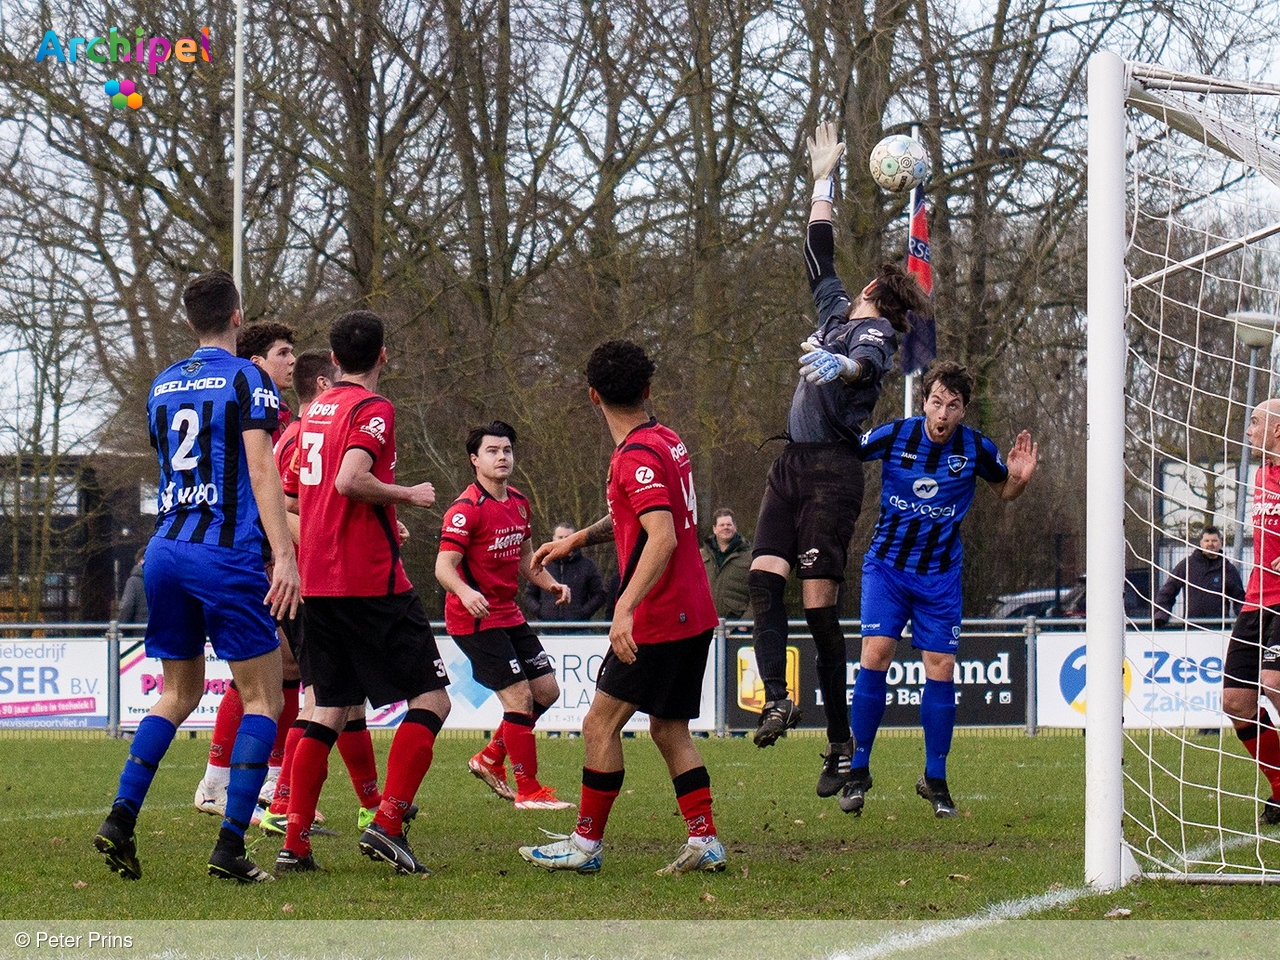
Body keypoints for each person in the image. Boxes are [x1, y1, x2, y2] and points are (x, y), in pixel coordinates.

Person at [93, 269, 301, 883]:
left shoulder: (161, 384)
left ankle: (120, 820)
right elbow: (261, 469)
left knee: (177, 695)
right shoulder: (249, 378)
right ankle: (231, 846)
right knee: (264, 697)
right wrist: (284, 555)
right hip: (224, 555)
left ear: (190, 321)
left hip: (164, 551)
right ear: (238, 317)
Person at [747, 121, 930, 805]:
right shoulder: (835, 312)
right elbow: (816, 255)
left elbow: (867, 366)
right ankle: (775, 702)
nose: (848, 291)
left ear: (876, 297)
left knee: (820, 608)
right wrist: (822, 180)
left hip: (832, 472)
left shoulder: (874, 330)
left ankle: (841, 743)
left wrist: (845, 364)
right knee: (765, 581)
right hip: (791, 465)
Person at [518, 339, 726, 876]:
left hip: (658, 616)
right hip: (694, 610)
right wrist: (578, 540)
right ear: (648, 390)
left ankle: (586, 845)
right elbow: (640, 514)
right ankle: (705, 840)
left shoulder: (633, 455)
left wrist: (624, 609)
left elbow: (662, 537)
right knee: (669, 729)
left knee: (598, 726)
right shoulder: (665, 440)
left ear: (593, 397)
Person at [275, 310, 451, 875]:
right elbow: (351, 479)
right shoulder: (372, 408)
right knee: (433, 699)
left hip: (318, 579)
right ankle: (388, 823)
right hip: (368, 580)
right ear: (382, 356)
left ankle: (295, 843)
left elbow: (311, 495)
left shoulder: (315, 410)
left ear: (331, 357)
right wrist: (408, 495)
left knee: (327, 708)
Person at [841, 361, 1036, 818]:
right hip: (887, 567)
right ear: (923, 401)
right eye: (936, 402)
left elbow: (1003, 490)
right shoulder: (895, 435)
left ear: (964, 410)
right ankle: (859, 768)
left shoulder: (975, 448)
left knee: (941, 667)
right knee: (877, 653)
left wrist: (1020, 480)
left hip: (939, 576)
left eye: (953, 405)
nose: (943, 413)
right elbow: (847, 454)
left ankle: (935, 777)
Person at [258, 349, 391, 837]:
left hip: (320, 575)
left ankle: (369, 802)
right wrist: (318, 541)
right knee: (320, 700)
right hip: (308, 579)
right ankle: (284, 802)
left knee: (344, 700)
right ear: (322, 384)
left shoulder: (309, 431)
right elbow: (281, 508)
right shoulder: (302, 434)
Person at [435, 421, 574, 810]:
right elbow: (443, 567)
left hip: (508, 613)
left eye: (507, 450)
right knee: (519, 697)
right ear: (474, 460)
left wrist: (550, 584)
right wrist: (465, 591)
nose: (502, 457)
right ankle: (527, 790)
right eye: (493, 451)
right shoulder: (465, 510)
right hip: (474, 619)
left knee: (546, 692)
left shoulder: (518, 502)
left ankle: (490, 757)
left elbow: (527, 561)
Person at [194, 320, 301, 817]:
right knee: (264, 672)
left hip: (265, 552)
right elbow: (262, 490)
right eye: (283, 352)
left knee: (281, 671)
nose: (291, 361)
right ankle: (223, 784)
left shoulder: (281, 413)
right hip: (249, 555)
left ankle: (264, 781)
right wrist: (305, 538)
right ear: (257, 361)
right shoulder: (255, 406)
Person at [1223, 398, 1280, 826]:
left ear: (1278, 430)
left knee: (1274, 681)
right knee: (1236, 701)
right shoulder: (1260, 475)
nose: (1248, 429)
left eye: (1256, 422)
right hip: (1255, 602)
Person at [1153, 526, 1245, 627]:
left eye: (1214, 540)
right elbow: (1167, 592)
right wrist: (1161, 615)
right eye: (1207, 540)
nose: (1210, 544)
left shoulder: (1227, 568)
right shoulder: (1187, 565)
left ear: (1221, 543)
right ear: (1201, 543)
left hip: (1219, 630)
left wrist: (1245, 622)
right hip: (1191, 629)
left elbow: (1239, 599)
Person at [525, 523, 608, 622]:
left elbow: (599, 594)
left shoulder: (587, 565)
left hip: (579, 629)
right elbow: (530, 594)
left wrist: (583, 613)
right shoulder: (542, 564)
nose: (563, 541)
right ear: (553, 539)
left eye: (567, 538)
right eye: (560, 537)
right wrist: (540, 611)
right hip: (547, 628)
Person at [701, 508, 752, 621]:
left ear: (735, 527)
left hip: (737, 626)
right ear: (714, 529)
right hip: (705, 623)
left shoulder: (750, 557)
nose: (726, 527)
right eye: (722, 525)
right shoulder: (700, 556)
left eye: (729, 524)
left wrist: (745, 622)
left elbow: (757, 591)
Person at [117, 547, 148, 627]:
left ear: (140, 561)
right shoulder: (165, 580)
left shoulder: (134, 581)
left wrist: (121, 628)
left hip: (140, 632)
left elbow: (127, 606)